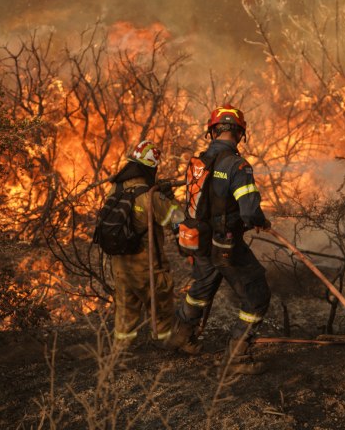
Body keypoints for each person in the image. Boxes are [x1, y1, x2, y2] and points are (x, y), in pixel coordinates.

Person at [166, 105, 272, 374]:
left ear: (212, 131)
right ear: (240, 133)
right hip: (225, 244)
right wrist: (260, 220)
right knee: (256, 294)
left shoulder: (198, 163)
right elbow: (249, 211)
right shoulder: (237, 166)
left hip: (199, 241)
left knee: (202, 286)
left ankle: (181, 335)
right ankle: (235, 357)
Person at [109, 140, 184, 349]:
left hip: (121, 266)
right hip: (147, 265)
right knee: (161, 303)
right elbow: (177, 219)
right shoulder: (149, 197)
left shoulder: (116, 190)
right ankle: (165, 347)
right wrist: (170, 198)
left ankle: (121, 351)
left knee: (126, 308)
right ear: (150, 168)